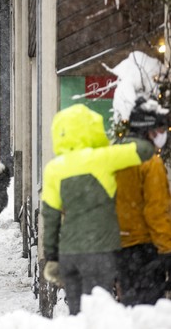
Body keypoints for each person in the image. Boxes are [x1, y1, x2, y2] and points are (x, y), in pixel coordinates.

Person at [41, 104, 155, 315]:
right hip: (100, 252)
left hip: (69, 254)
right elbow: (145, 150)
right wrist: (119, 143)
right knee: (98, 311)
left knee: (77, 312)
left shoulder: (54, 169)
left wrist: (52, 257)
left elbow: (51, 216)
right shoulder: (103, 158)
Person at [114, 98, 171, 306]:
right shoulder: (150, 161)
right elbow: (156, 210)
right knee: (147, 312)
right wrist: (167, 250)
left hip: (119, 248)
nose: (163, 134)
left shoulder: (115, 155)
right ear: (149, 130)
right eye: (160, 129)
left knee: (130, 308)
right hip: (145, 249)